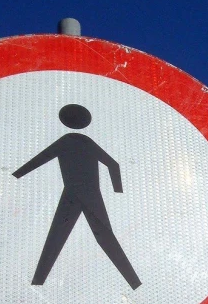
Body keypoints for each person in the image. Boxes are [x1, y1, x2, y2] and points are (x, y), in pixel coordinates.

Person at [13, 104, 141, 289]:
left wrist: (17, 174)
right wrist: (117, 189)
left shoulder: (67, 141)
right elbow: (113, 165)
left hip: (77, 193)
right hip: (84, 193)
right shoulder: (86, 142)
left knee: (61, 236)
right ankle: (134, 282)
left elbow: (41, 158)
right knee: (70, 235)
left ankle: (38, 282)